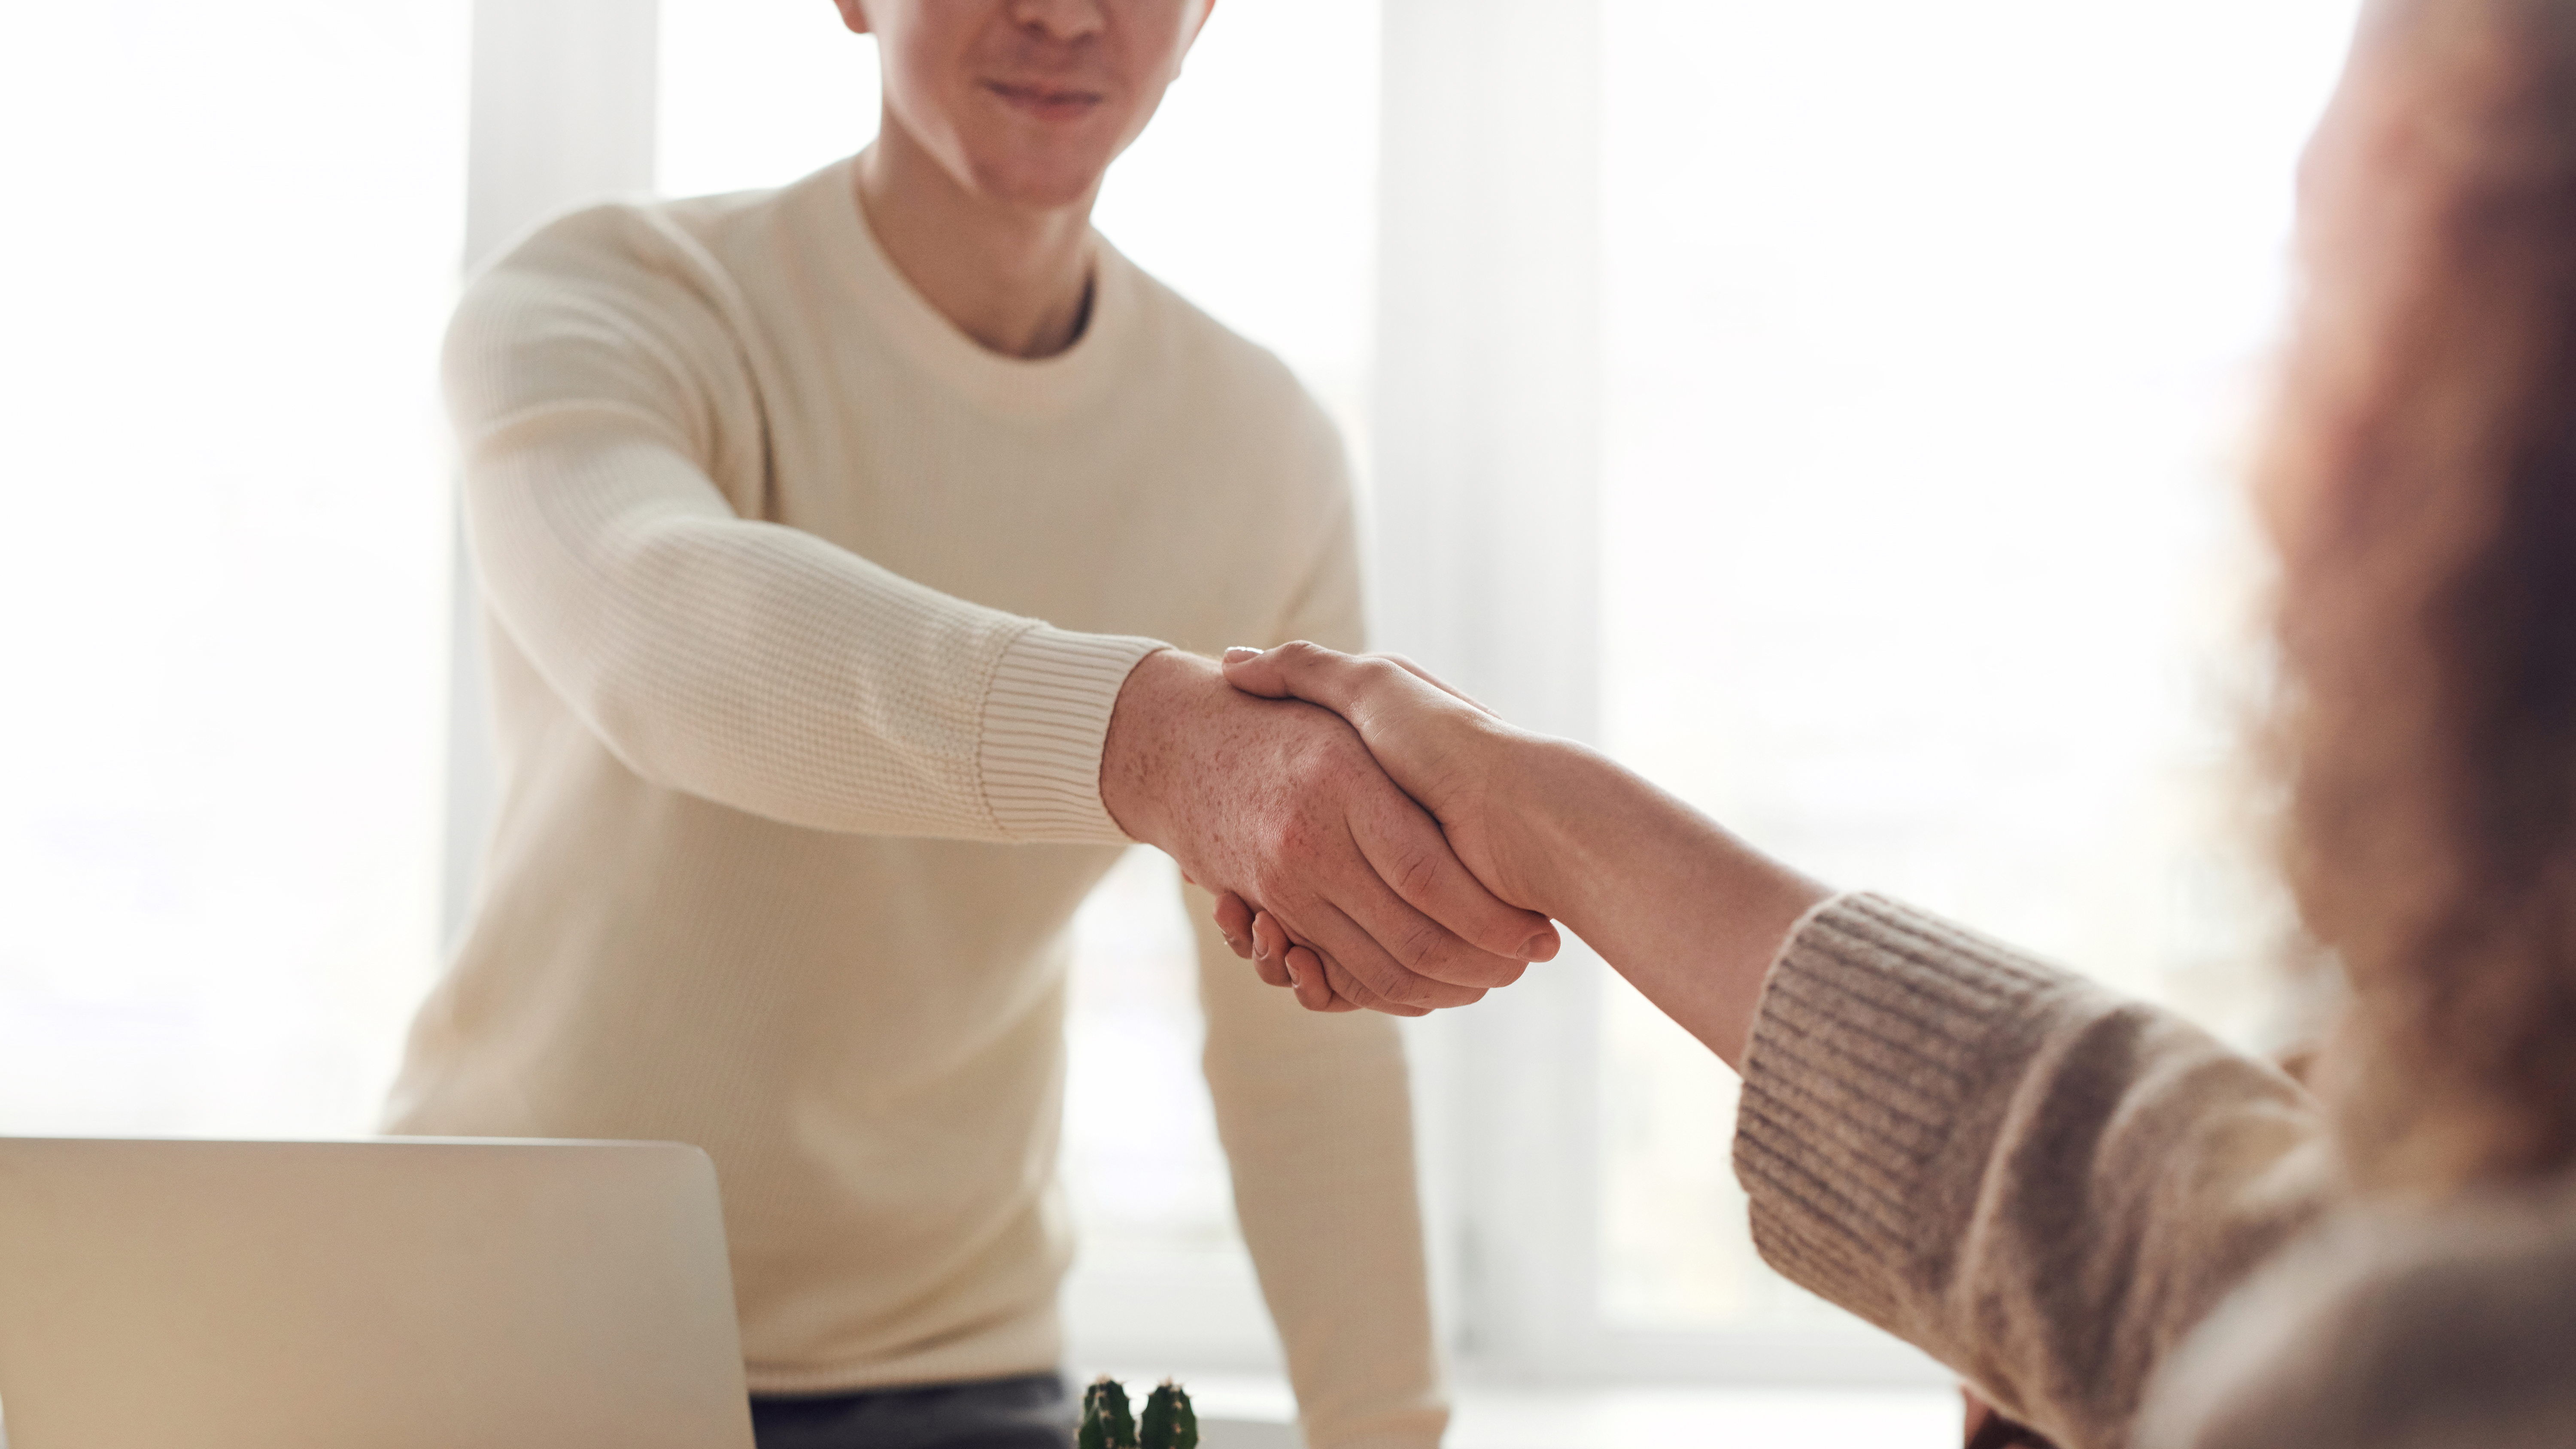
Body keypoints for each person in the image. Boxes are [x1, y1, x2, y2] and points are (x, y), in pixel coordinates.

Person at [1208, 0, 2576, 1443]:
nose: (2263, 453)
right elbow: (2185, 1232)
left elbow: (2235, 1281)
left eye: (2318, 301)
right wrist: (1550, 823)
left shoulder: (2411, 1374)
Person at [384, 3, 1557, 1446]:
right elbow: (660, 628)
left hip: (951, 1371)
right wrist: (1149, 745)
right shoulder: (608, 299)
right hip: (493, 1325)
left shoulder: (1261, 451)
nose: (1064, 13)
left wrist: (1390, 1432)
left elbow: (1302, 1040)